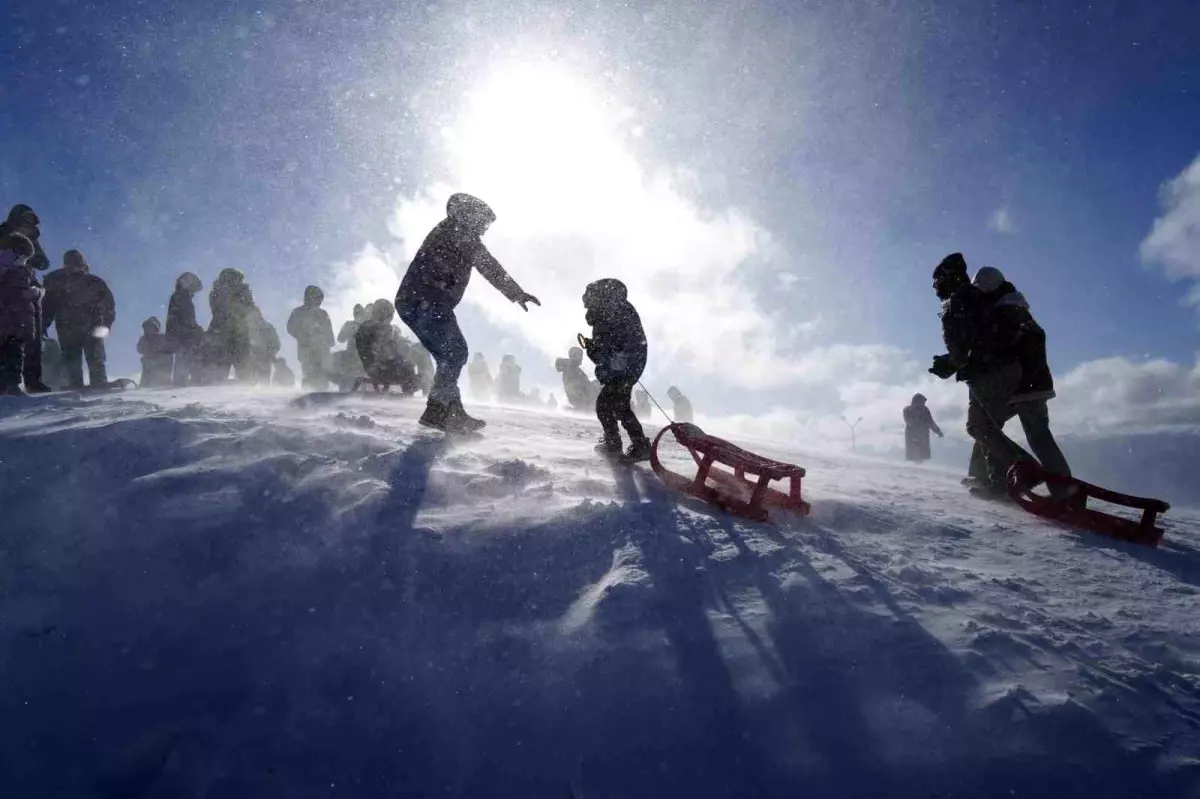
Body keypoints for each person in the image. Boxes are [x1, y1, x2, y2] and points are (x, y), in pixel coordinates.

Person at [395, 193, 540, 432]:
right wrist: (517, 293)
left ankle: (451, 411)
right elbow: (488, 265)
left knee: (450, 356)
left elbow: (485, 263)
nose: (484, 229)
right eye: (483, 222)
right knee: (455, 352)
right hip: (425, 301)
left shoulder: (451, 231)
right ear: (468, 216)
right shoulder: (459, 232)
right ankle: (437, 410)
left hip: (417, 302)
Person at [964, 267, 1075, 500]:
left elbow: (1002, 350)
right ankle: (993, 477)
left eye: (982, 288)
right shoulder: (1012, 308)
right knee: (989, 427)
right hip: (1027, 384)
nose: (980, 293)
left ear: (991, 287)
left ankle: (1062, 491)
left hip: (1025, 386)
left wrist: (975, 362)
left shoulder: (1007, 311)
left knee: (1032, 435)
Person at [928, 253, 990, 485]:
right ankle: (983, 476)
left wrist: (954, 362)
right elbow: (969, 342)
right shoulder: (964, 297)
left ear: (950, 277)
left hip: (985, 370)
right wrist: (952, 361)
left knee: (981, 426)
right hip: (979, 369)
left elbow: (975, 340)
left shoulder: (963, 298)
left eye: (938, 281)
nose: (936, 288)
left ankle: (1013, 471)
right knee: (982, 426)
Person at [581, 278, 651, 461]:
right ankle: (632, 444)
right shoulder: (617, 309)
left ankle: (619, 444)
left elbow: (607, 349)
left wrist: (594, 350)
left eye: (588, 298)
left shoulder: (607, 313)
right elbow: (615, 344)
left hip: (623, 369)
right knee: (619, 406)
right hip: (629, 367)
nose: (586, 303)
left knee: (605, 406)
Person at [42, 249, 115, 389]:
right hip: (72, 329)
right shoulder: (59, 282)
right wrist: (43, 324)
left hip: (82, 328)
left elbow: (109, 306)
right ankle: (85, 384)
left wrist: (106, 325)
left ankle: (92, 383)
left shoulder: (92, 282)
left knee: (88, 360)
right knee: (76, 361)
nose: (73, 267)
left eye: (75, 263)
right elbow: (48, 307)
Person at [0, 206, 51, 393]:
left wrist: (28, 248)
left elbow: (43, 263)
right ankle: (7, 382)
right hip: (6, 289)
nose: (29, 223)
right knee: (8, 339)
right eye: (25, 219)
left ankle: (32, 379)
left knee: (32, 335)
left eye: (32, 220)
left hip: (25, 284)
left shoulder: (31, 238)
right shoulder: (3, 233)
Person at [0, 232, 41, 395]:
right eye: (22, 257)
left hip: (19, 323)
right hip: (6, 322)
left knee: (15, 353)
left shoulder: (26, 271)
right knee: (6, 353)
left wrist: (36, 292)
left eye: (26, 258)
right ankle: (6, 386)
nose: (23, 261)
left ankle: (12, 385)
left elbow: (39, 288)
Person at [354, 299, 418, 393]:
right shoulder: (373, 328)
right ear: (383, 314)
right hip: (379, 368)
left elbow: (395, 343)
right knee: (407, 367)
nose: (391, 318)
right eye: (390, 315)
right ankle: (409, 391)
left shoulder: (374, 327)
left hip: (379, 366)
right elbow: (378, 352)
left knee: (407, 364)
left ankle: (411, 387)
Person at [204, 268, 256, 382]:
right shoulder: (240, 290)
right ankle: (245, 386)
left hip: (222, 331)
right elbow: (249, 309)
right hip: (236, 332)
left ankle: (219, 385)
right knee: (241, 368)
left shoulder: (217, 290)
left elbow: (216, 309)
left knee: (221, 369)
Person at [287, 285, 335, 390]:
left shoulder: (323, 313)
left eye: (320, 299)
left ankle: (322, 393)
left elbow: (328, 330)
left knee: (323, 374)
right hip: (307, 350)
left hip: (322, 350)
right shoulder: (298, 312)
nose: (319, 301)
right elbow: (291, 327)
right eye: (317, 298)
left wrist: (330, 341)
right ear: (309, 297)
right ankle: (308, 392)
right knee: (309, 373)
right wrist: (303, 336)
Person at [166, 272, 204, 386]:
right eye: (193, 289)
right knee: (185, 365)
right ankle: (185, 387)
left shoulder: (180, 296)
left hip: (181, 338)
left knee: (183, 365)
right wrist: (197, 330)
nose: (194, 292)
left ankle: (182, 386)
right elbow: (187, 318)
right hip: (184, 338)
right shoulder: (182, 296)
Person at [555, 346, 599, 411]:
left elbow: (585, 384)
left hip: (586, 397)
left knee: (600, 383)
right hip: (583, 400)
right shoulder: (570, 369)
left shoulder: (575, 369)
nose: (582, 358)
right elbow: (573, 388)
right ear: (574, 356)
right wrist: (585, 401)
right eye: (580, 355)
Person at [902, 393, 943, 462]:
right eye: (922, 402)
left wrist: (938, 431)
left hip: (920, 434)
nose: (923, 404)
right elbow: (908, 421)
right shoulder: (908, 410)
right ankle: (915, 467)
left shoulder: (924, 410)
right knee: (915, 453)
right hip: (914, 434)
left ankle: (918, 466)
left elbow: (930, 422)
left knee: (920, 455)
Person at [136, 317, 174, 388]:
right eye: (147, 328)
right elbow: (139, 349)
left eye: (150, 327)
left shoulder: (162, 338)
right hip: (148, 371)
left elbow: (171, 349)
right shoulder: (143, 339)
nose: (149, 330)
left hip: (162, 371)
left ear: (155, 328)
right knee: (145, 361)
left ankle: (162, 382)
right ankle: (145, 384)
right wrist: (146, 349)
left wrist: (160, 349)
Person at [248, 308, 281, 385]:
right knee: (248, 383)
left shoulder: (268, 328)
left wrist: (269, 354)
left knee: (263, 383)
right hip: (251, 360)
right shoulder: (246, 328)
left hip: (263, 359)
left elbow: (276, 344)